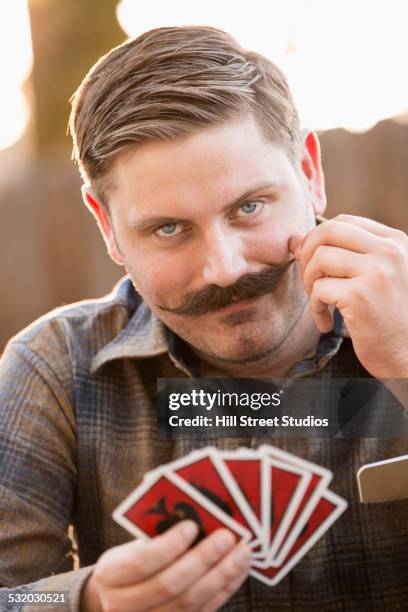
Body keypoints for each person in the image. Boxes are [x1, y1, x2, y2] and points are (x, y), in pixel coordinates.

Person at [1, 25, 408, 612]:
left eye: (249, 206)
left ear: (309, 173)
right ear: (108, 228)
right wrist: (82, 601)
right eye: (169, 229)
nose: (223, 267)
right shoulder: (56, 369)